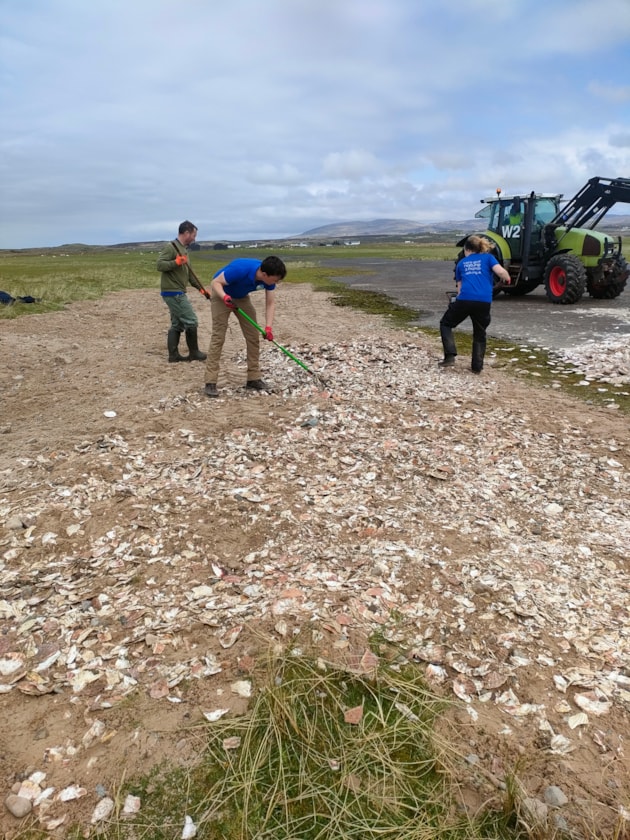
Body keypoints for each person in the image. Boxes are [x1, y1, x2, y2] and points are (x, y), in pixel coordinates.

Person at [203, 256, 287, 397]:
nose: (276, 282)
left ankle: (253, 378)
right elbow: (215, 282)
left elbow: (270, 303)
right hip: (221, 295)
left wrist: (268, 327)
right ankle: (210, 382)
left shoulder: (268, 280)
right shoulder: (240, 269)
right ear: (264, 275)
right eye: (275, 279)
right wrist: (224, 297)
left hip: (241, 298)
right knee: (218, 337)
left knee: (253, 337)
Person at [439, 235, 511, 374]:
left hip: (465, 299)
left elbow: (459, 288)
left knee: (446, 324)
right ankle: (477, 367)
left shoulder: (461, 263)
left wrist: (457, 303)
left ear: (466, 249)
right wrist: (507, 279)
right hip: (484, 302)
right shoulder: (489, 258)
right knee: (479, 333)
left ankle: (449, 357)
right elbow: (501, 272)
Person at [157, 221, 208, 363]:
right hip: (173, 292)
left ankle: (174, 356)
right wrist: (176, 263)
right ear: (186, 233)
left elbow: (190, 275)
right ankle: (194, 353)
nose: (194, 239)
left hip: (177, 291)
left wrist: (202, 289)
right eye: (193, 235)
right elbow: (159, 265)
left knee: (177, 324)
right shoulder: (171, 247)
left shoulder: (183, 249)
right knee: (191, 321)